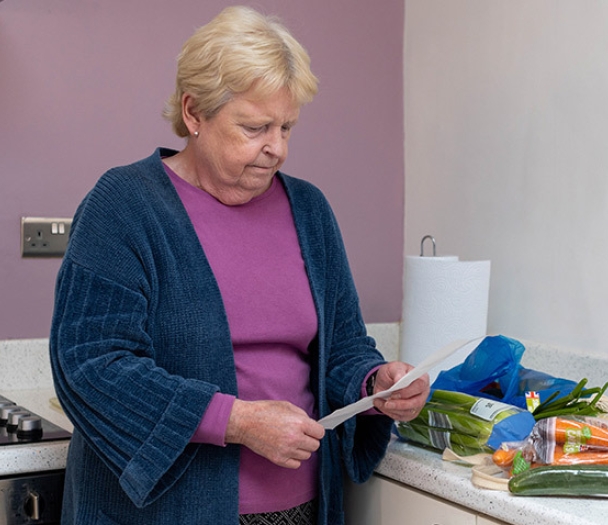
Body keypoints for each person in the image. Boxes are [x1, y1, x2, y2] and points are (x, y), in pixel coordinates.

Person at [49, 6, 430, 525]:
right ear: (193, 113)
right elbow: (92, 365)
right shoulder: (124, 206)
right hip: (162, 513)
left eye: (287, 127)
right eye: (254, 127)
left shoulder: (309, 210)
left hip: (301, 509)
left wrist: (374, 382)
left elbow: (342, 345)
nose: (276, 148)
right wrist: (239, 421)